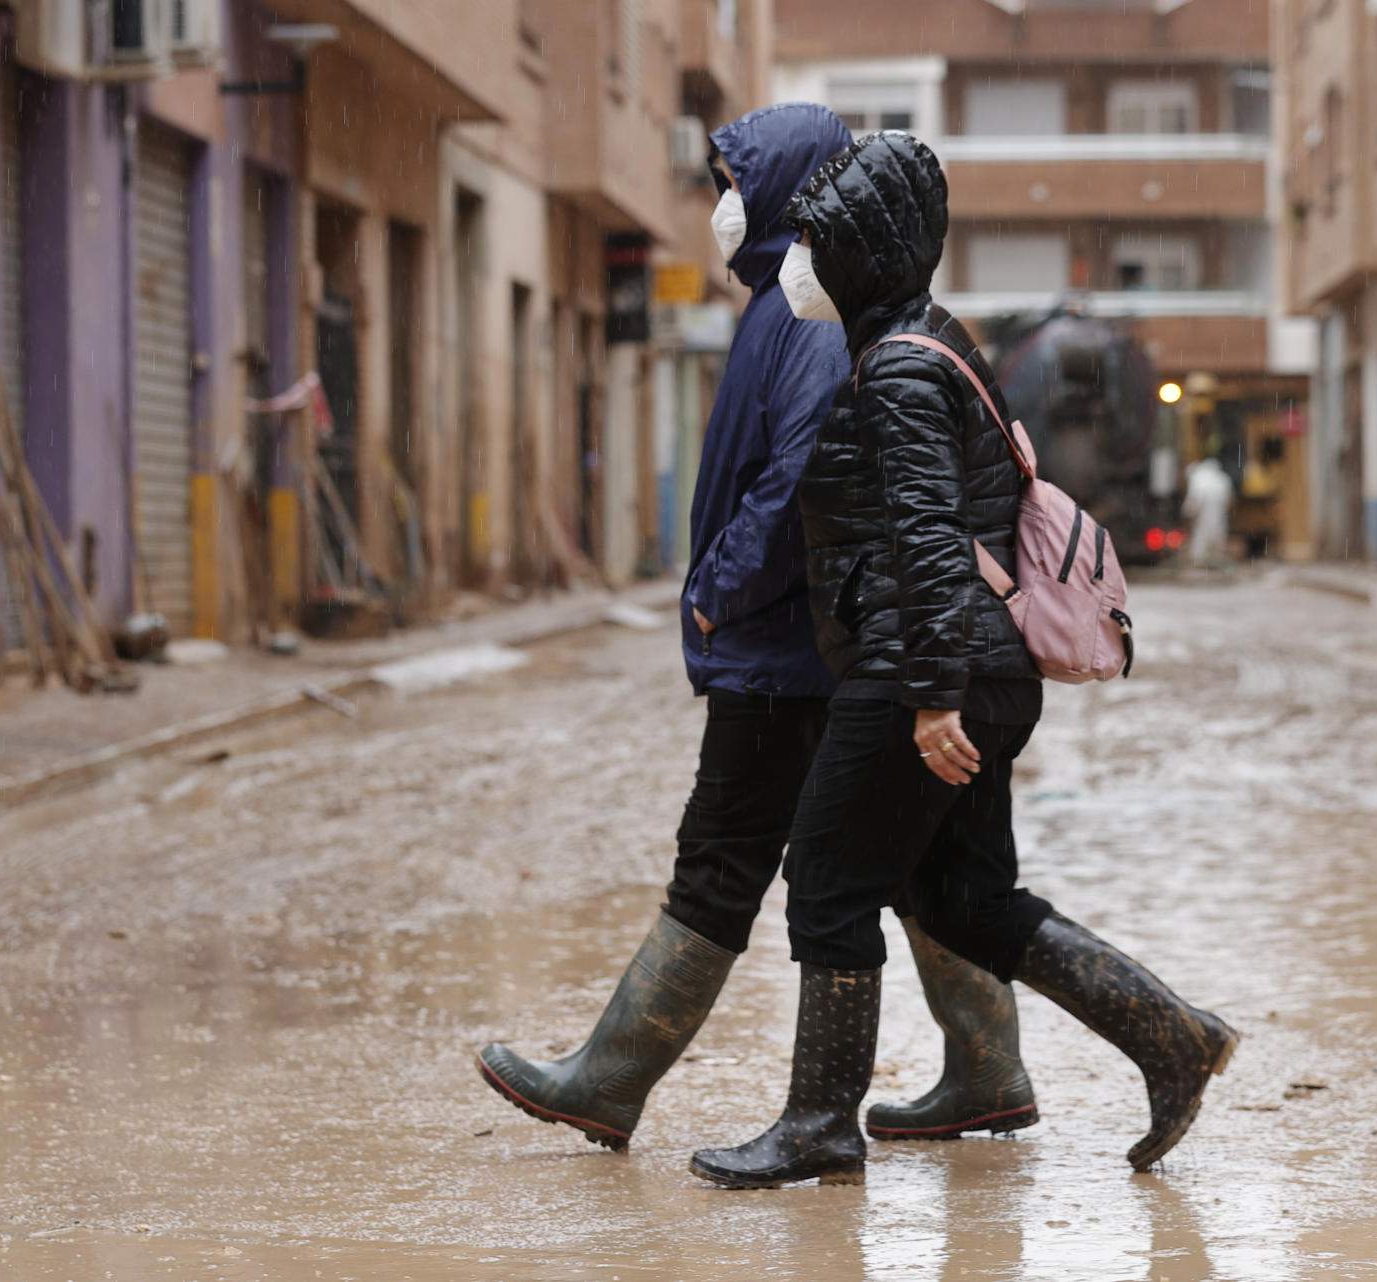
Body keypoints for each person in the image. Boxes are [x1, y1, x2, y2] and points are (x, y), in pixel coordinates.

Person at [476, 105, 1038, 1152]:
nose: (720, 203)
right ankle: (988, 1064)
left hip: (788, 649)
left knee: (728, 854)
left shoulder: (808, 310)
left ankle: (615, 1077)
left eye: (732, 179)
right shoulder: (794, 300)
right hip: (808, 641)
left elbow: (801, 481)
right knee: (908, 866)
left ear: (783, 186)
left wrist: (720, 588)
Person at [689, 131, 1238, 1190]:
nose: (799, 259)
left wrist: (931, 694)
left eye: (815, 241)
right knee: (964, 896)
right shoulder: (931, 343)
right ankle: (1171, 1037)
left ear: (860, 248)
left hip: (924, 671)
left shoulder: (895, 367)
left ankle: (817, 1124)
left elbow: (929, 537)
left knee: (829, 877)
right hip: (977, 670)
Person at [1184, 456, 1234, 567]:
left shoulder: (1198, 477)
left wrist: (1188, 513)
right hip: (1219, 512)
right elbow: (1229, 500)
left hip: (1205, 512)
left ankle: (1198, 562)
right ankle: (1216, 560)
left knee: (1201, 535)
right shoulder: (1223, 478)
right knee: (1218, 534)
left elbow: (1194, 499)